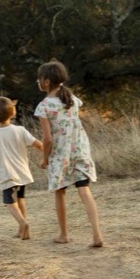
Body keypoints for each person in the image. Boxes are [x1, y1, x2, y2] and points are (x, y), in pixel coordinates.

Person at [35, 61, 104, 248]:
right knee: (84, 189)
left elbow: (47, 138)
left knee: (60, 192)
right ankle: (97, 234)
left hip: (60, 154)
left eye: (39, 79)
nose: (38, 82)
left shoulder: (44, 106)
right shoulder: (71, 98)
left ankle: (64, 234)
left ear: (46, 81)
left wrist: (44, 158)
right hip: (80, 149)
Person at [0, 96, 43, 240]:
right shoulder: (20, 130)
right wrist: (48, 154)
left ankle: (23, 224)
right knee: (20, 200)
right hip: (22, 173)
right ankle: (22, 231)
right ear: (13, 113)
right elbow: (38, 144)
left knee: (10, 204)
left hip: (7, 175)